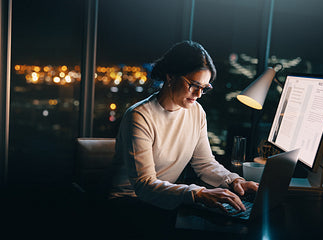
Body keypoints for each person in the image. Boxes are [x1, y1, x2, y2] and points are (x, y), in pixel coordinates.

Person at [109, 41, 259, 214]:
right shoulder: (140, 116)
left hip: (165, 201)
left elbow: (204, 163)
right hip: (128, 203)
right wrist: (198, 193)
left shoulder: (196, 112)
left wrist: (234, 181)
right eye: (194, 85)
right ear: (171, 76)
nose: (198, 94)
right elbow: (144, 185)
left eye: (204, 88)